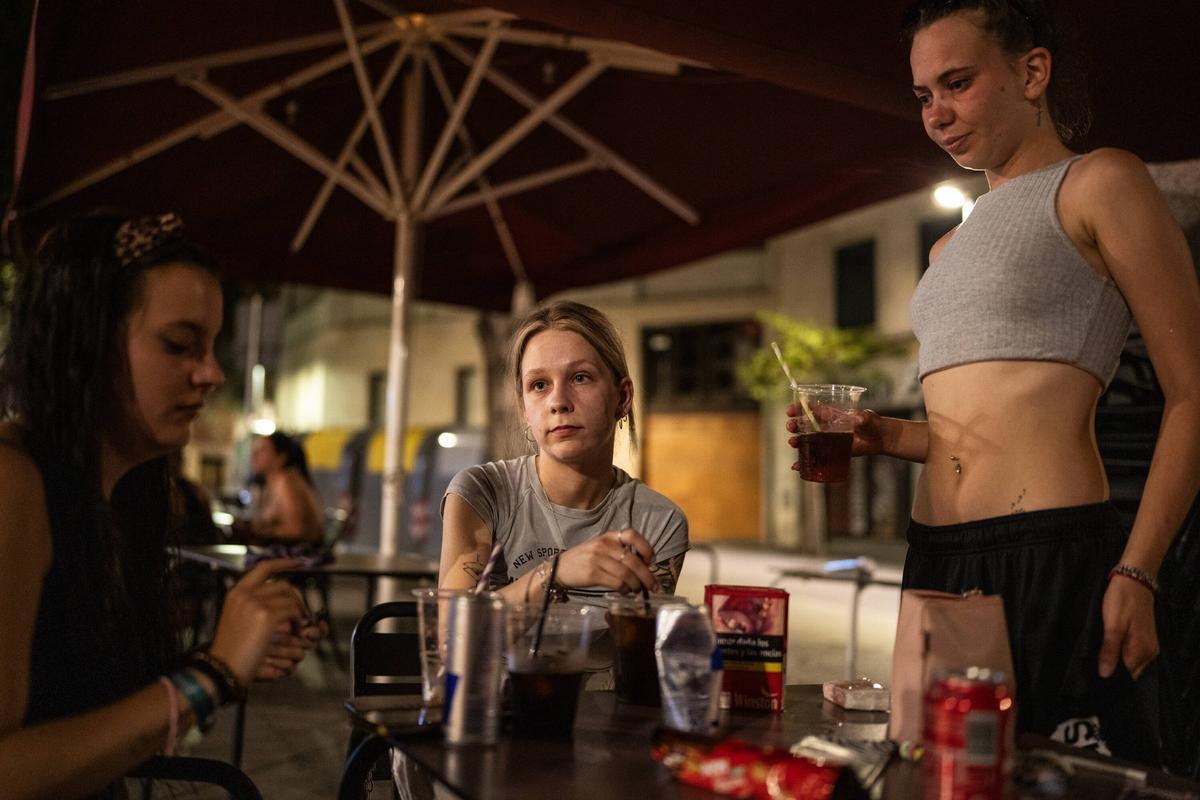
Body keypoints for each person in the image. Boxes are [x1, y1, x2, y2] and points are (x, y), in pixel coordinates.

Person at [786, 0, 1200, 763]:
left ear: (1032, 72)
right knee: (941, 773)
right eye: (923, 95)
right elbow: (975, 423)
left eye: (957, 83)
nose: (936, 114)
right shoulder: (948, 248)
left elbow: (1192, 394)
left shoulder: (1098, 182)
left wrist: (1138, 570)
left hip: (1050, 549)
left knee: (1055, 777)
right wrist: (886, 434)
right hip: (936, 556)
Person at [0, 212, 322, 799]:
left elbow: (71, 703)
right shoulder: (11, 481)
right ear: (85, 341)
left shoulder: (109, 496)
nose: (212, 373)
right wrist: (210, 675)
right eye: (179, 345)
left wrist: (228, 653)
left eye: (212, 346)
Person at [439, 300, 689, 604]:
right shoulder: (481, 493)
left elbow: (640, 632)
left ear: (623, 397)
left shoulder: (658, 521)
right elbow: (452, 628)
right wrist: (554, 573)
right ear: (524, 410)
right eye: (539, 384)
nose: (558, 402)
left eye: (580, 377)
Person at [235, 432, 324, 545]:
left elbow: (295, 530)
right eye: (255, 450)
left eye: (263, 450)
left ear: (281, 457)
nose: (254, 455)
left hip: (298, 551)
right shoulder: (272, 481)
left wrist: (258, 532)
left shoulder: (286, 481)